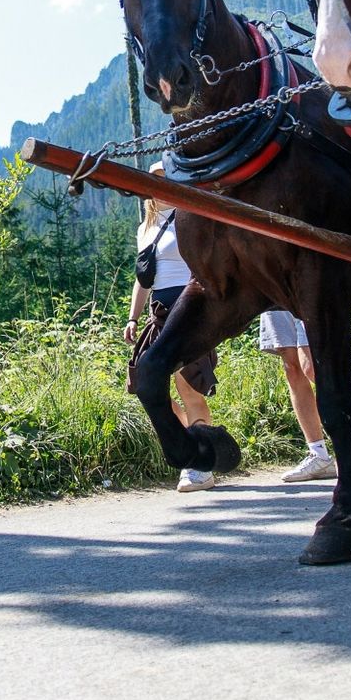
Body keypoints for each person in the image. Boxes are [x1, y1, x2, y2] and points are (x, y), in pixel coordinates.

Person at [125, 178, 220, 493]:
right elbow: (143, 278)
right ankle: (192, 447)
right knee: (149, 387)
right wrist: (133, 318)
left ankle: (201, 465)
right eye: (154, 180)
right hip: (160, 310)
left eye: (165, 178)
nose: (159, 185)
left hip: (189, 308)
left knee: (188, 384)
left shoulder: (189, 216)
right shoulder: (146, 228)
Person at [261, 310, 351, 483]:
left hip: (305, 288)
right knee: (291, 367)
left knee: (311, 367)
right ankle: (319, 455)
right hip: (274, 289)